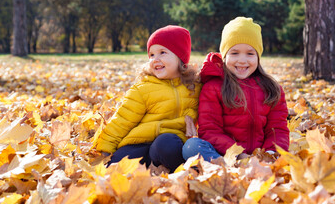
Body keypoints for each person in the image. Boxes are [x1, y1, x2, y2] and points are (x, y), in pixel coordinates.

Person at [95, 25, 201, 172]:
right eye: (151, 55)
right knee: (116, 167)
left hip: (169, 143)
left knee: (167, 144)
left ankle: (182, 171)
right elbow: (121, 121)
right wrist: (105, 149)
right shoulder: (143, 89)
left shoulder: (194, 87)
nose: (155, 59)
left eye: (162, 53)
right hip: (139, 143)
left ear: (180, 57)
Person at [182, 17, 289, 162]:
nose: (242, 60)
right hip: (224, 154)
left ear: (258, 57)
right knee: (192, 147)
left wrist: (269, 154)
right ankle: (226, 171)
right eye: (235, 53)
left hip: (260, 157)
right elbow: (210, 131)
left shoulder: (272, 89)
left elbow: (278, 130)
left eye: (250, 53)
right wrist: (238, 154)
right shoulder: (213, 87)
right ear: (224, 56)